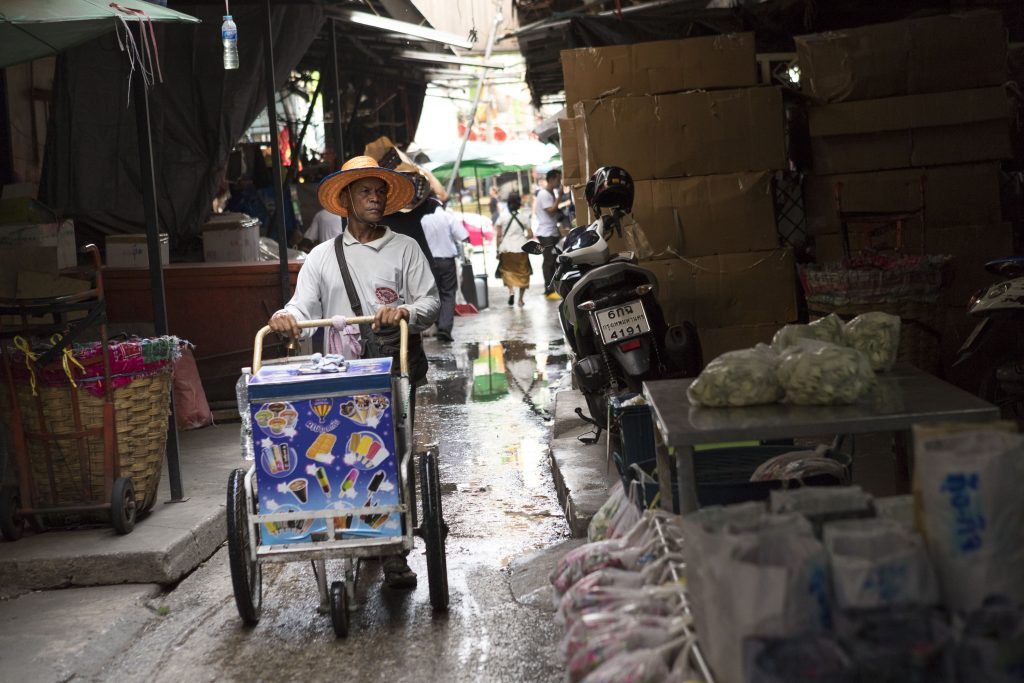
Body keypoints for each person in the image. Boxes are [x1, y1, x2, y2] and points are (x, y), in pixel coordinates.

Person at [267, 155, 439, 590]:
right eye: (366, 191)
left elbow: (430, 302)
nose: (376, 198)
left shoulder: (405, 248)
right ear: (344, 200)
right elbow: (302, 305)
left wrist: (405, 310)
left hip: (393, 369)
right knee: (341, 456)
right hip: (340, 375)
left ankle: (395, 553)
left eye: (380, 191)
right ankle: (354, 529)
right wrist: (285, 316)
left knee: (392, 454)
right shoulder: (322, 257)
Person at [420, 190, 469, 342]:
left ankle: (435, 324)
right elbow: (464, 236)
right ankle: (445, 328)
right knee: (448, 294)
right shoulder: (447, 216)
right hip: (446, 261)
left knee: (432, 294)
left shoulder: (420, 218)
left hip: (428, 261)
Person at [494, 192, 533, 307]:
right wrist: (522, 238)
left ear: (508, 204)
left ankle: (511, 292)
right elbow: (530, 234)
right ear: (519, 205)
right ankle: (520, 300)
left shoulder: (502, 217)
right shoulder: (524, 217)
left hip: (506, 249)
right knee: (523, 274)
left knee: (507, 272)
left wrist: (497, 250)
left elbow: (498, 235)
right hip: (521, 249)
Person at [534, 169, 562, 298]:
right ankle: (549, 289)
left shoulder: (550, 193)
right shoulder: (544, 194)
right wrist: (560, 196)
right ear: (552, 179)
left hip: (552, 231)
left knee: (556, 260)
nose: (560, 182)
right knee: (549, 261)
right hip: (546, 234)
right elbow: (551, 211)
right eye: (559, 179)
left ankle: (555, 287)